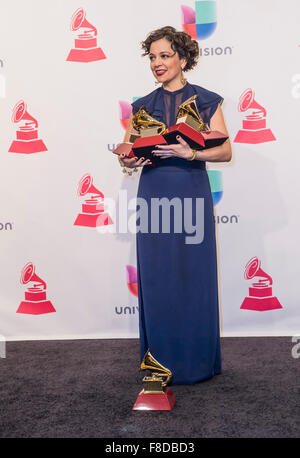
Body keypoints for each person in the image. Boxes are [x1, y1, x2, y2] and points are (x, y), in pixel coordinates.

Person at [118, 26, 232, 385]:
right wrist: (129, 161)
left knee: (193, 276)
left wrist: (192, 152)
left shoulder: (207, 100)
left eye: (165, 55)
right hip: (153, 198)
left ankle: (197, 363)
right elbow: (127, 151)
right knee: (158, 278)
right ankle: (160, 362)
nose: (157, 63)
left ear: (183, 59)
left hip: (192, 194)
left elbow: (226, 151)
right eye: (152, 57)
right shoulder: (141, 106)